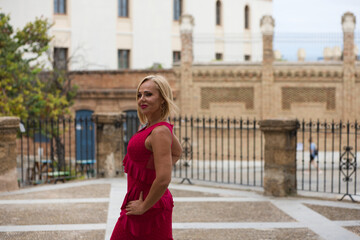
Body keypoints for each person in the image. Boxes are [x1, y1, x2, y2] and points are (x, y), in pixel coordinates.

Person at [111, 75, 182, 240]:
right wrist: (151, 173)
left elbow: (164, 178)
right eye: (139, 95)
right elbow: (177, 152)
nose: (142, 99)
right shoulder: (152, 127)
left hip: (149, 206)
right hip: (140, 202)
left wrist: (144, 205)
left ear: (163, 99)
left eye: (148, 94)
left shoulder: (160, 131)